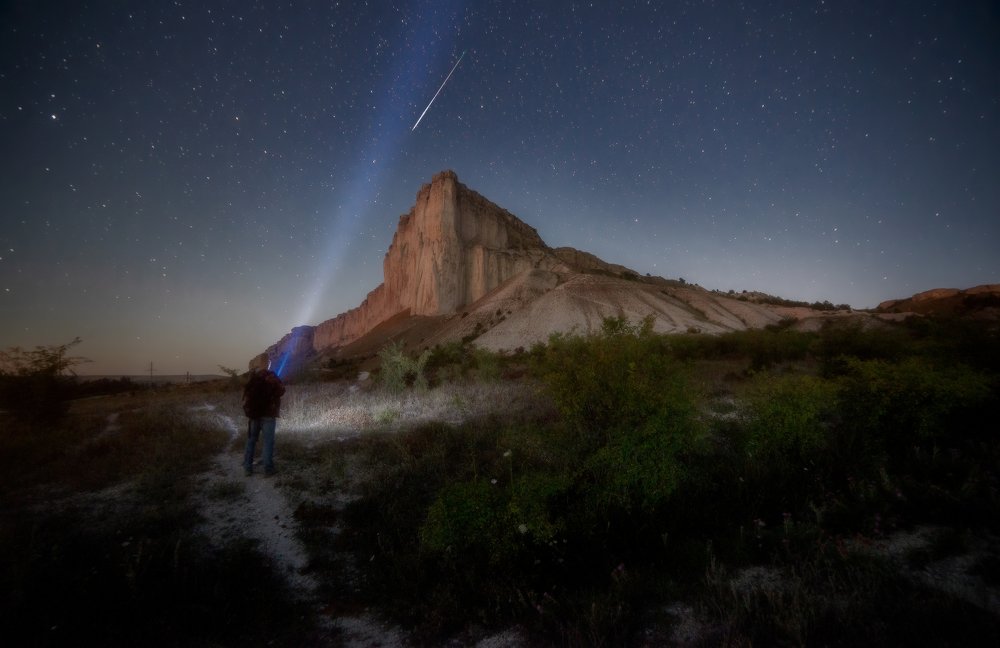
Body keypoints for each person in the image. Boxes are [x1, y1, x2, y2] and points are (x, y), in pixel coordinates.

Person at [242, 353, 285, 476]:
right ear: (268, 364)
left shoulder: (253, 378)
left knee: (251, 440)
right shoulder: (272, 376)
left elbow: (246, 395)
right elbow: (282, 391)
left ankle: (247, 467)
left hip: (254, 415)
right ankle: (268, 468)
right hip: (268, 415)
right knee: (268, 442)